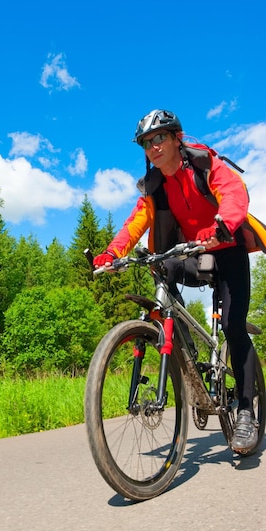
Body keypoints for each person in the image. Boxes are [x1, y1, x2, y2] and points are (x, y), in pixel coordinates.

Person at [93, 109, 266, 453]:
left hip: (227, 248)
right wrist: (111, 254)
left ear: (175, 138)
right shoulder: (157, 187)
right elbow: (136, 221)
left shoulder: (205, 165)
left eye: (159, 138)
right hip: (194, 253)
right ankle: (184, 352)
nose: (153, 146)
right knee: (164, 268)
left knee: (233, 326)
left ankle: (246, 412)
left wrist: (222, 226)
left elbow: (233, 193)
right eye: (146, 142)